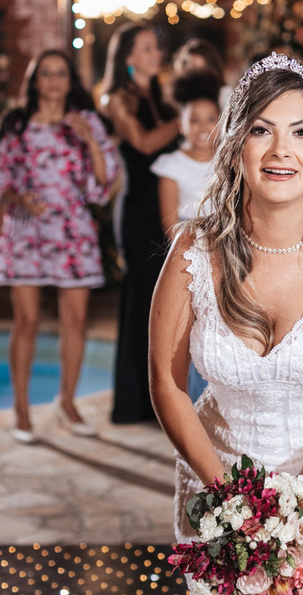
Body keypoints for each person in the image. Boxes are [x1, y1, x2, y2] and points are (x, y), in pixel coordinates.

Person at [149, 54, 303, 595]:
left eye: (301, 132)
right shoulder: (192, 251)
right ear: (235, 146)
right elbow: (166, 383)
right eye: (262, 130)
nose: (282, 150)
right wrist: (228, 499)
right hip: (216, 479)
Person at [0, 49, 120, 442]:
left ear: (70, 81)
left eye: (61, 73)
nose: (54, 81)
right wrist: (19, 198)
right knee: (26, 321)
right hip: (27, 232)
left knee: (76, 321)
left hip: (73, 231)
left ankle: (67, 402)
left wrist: (90, 141)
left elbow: (103, 182)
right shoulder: (13, 124)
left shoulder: (85, 121)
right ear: (34, 80)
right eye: (46, 73)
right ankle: (22, 410)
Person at [98, 23, 180, 424]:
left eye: (155, 47)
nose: (155, 54)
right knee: (141, 302)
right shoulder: (115, 98)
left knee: (167, 303)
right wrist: (185, 119)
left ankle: (164, 399)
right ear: (128, 56)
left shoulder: (162, 95)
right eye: (146, 48)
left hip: (170, 203)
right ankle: (133, 404)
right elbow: (144, 143)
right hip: (138, 210)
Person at [151, 71, 222, 402]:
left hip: (227, 249)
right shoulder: (170, 164)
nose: (202, 126)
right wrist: (193, 260)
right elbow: (171, 224)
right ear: (180, 124)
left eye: (210, 118)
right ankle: (192, 405)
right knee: (192, 330)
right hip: (190, 253)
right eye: (194, 119)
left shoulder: (229, 161)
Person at [170, 37, 231, 107]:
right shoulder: (176, 100)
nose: (197, 78)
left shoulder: (224, 96)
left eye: (201, 71)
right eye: (192, 71)